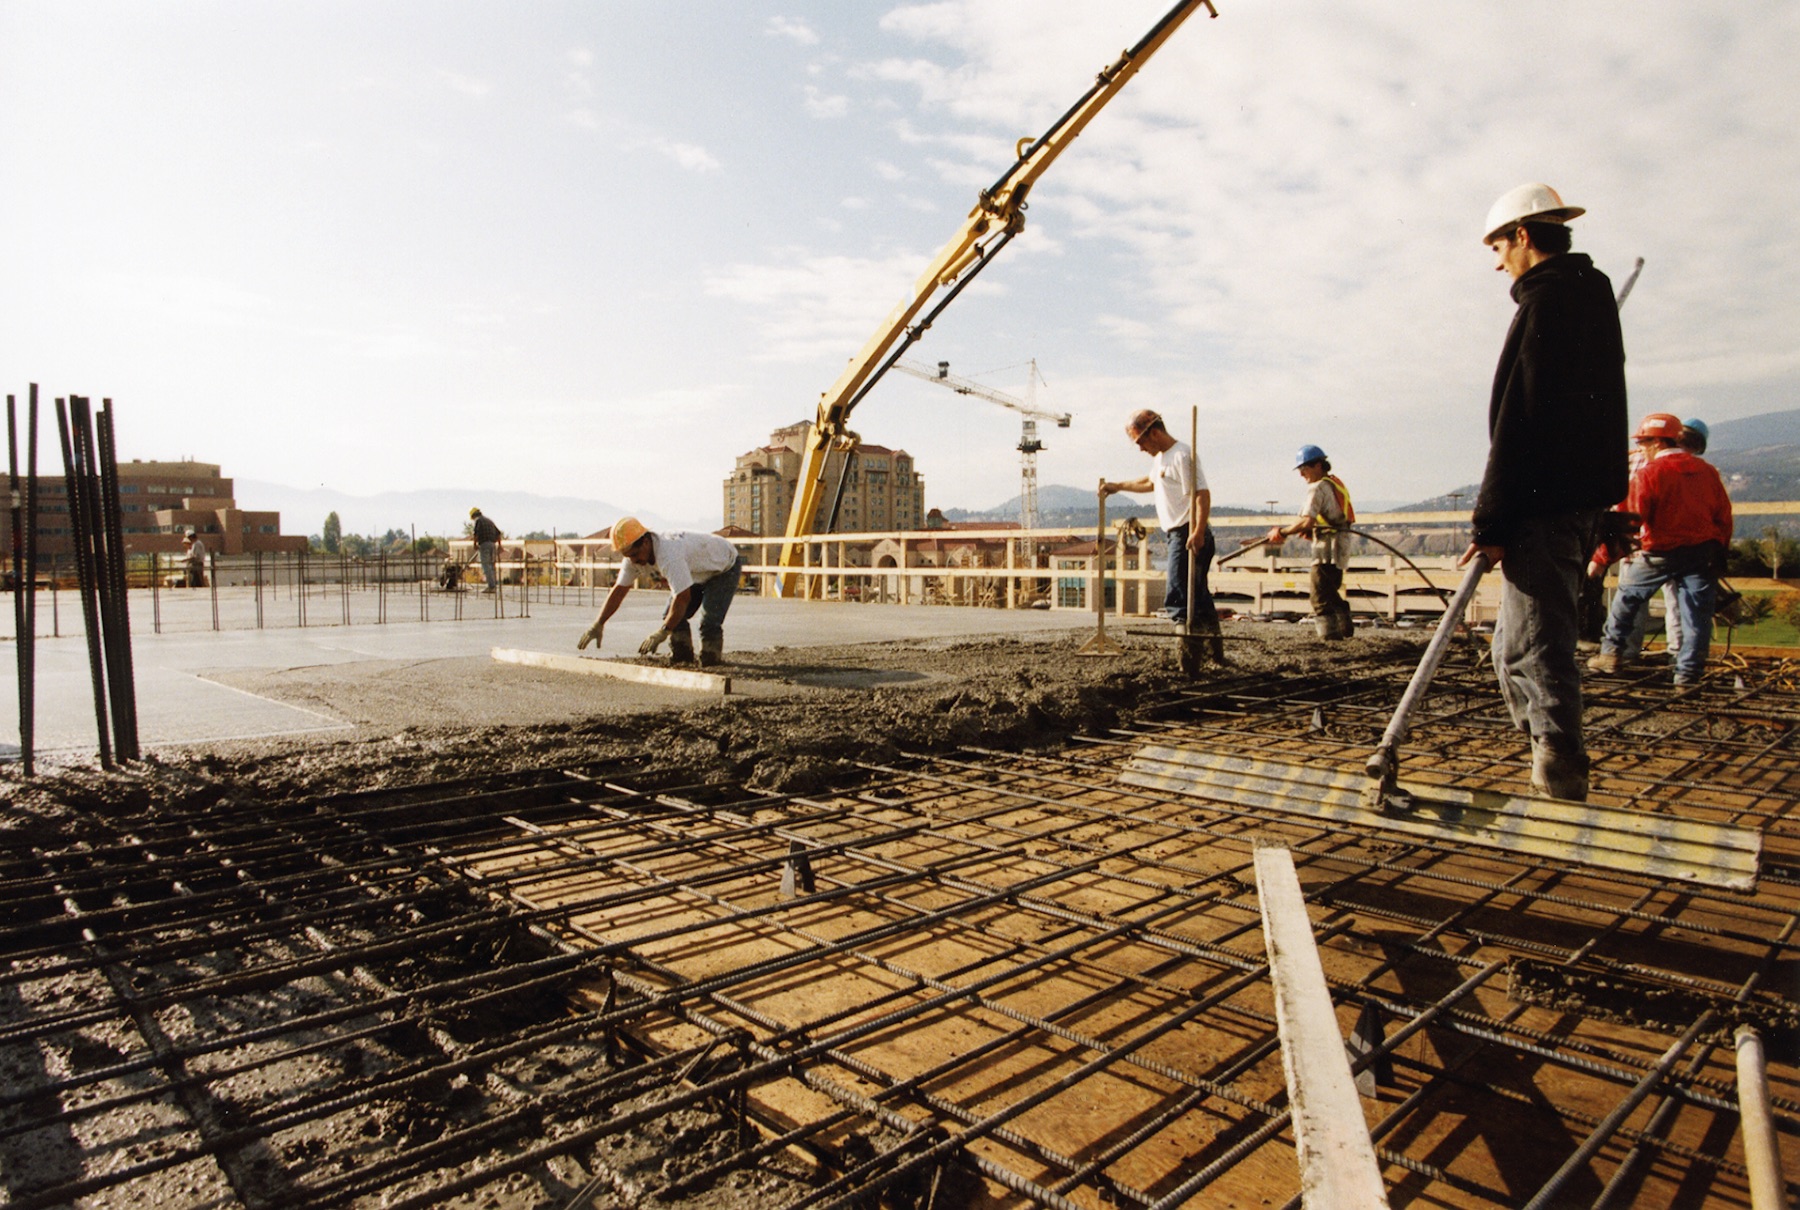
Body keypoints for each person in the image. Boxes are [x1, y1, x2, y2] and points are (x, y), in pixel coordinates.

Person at [1461, 183, 1628, 802]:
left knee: (1534, 651)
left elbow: (1521, 418)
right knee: (1511, 651)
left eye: (1499, 245)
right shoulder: (1586, 296)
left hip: (1542, 507)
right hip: (1571, 500)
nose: (1497, 260)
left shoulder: (1549, 302)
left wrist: (1491, 522)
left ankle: (1561, 781)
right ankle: (1553, 763)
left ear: (1525, 236)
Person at [1587, 414, 1732, 686]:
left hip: (1661, 553)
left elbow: (1627, 520)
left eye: (1643, 442)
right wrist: (1720, 552)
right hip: (1702, 553)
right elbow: (1723, 517)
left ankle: (1611, 653)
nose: (1640, 448)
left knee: (1627, 598)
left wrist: (1601, 558)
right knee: (1696, 615)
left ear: (1656, 442)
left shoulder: (1649, 473)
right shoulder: (1707, 471)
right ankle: (1688, 676)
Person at [1100, 410, 1219, 651]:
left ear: (1154, 432)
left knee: (1178, 591)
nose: (1141, 449)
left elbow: (1201, 496)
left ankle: (1187, 647)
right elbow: (1149, 482)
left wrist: (1196, 532)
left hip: (1187, 532)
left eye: (1140, 442)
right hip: (1179, 532)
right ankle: (1213, 647)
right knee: (1197, 593)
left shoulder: (1182, 456)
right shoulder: (1162, 458)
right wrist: (1118, 486)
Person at [578, 516, 743, 666]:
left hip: (723, 567)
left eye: (635, 555)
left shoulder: (669, 554)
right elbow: (619, 591)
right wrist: (599, 623)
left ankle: (711, 662)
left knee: (709, 621)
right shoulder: (633, 559)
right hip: (695, 571)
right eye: (629, 557)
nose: (634, 561)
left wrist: (664, 631)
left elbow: (682, 598)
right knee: (671, 616)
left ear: (645, 542)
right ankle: (682, 659)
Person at [1253, 444, 1354, 640]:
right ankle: (1344, 626)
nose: (1301, 475)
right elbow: (1327, 516)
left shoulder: (1317, 488)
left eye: (1304, 469)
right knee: (1330, 591)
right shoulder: (1333, 482)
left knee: (1319, 596)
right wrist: (1310, 528)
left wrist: (1281, 532)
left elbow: (1307, 519)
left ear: (1318, 465)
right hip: (1339, 545)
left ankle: (1330, 639)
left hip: (1328, 549)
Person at [469, 506, 502, 593]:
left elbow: (476, 534)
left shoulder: (478, 521)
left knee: (486, 565)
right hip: (492, 544)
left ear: (473, 516)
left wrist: (474, 544)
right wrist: (500, 545)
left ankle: (491, 587)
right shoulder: (489, 520)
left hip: (484, 544)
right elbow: (498, 534)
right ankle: (494, 585)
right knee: (491, 565)